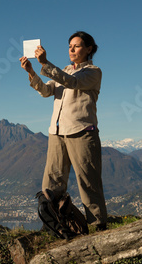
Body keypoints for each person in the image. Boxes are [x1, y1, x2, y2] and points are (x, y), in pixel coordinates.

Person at [19, 31, 107, 230]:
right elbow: (46, 91)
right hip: (57, 132)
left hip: (82, 131)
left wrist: (46, 63)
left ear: (89, 49)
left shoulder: (93, 72)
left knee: (88, 182)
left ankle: (97, 226)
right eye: (69, 46)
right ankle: (54, 225)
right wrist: (32, 71)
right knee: (52, 182)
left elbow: (72, 82)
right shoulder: (64, 71)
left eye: (76, 46)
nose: (72, 49)